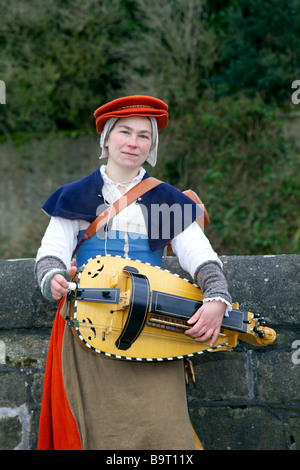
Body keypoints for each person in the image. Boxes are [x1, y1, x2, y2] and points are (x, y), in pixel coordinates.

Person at [35, 95, 232, 450]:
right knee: (95, 434)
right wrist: (53, 277)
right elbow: (50, 255)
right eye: (125, 132)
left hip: (154, 325)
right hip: (86, 327)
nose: (133, 142)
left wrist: (217, 298)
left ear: (151, 146)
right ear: (107, 139)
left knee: (166, 433)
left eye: (144, 136)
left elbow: (201, 257)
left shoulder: (165, 201)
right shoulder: (76, 196)